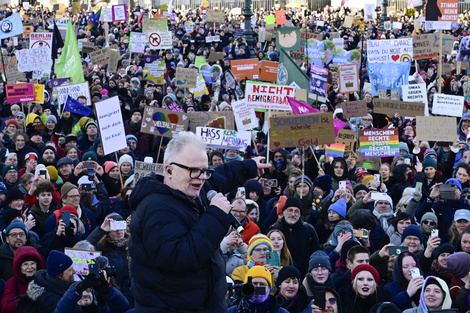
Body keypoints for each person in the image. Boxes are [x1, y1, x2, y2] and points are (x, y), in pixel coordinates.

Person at [128, 131, 270, 312]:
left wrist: (248, 166)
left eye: (204, 170)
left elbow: (219, 177)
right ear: (169, 170)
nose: (201, 177)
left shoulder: (187, 190)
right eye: (194, 170)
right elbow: (180, 257)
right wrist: (216, 215)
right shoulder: (156, 208)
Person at [1, 246, 45, 313]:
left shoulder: (44, 280)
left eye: (32, 263)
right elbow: (5, 308)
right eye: (25, 264)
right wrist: (28, 296)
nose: (30, 267)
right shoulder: (12, 282)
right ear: (19, 267)